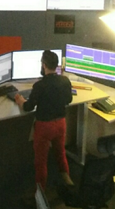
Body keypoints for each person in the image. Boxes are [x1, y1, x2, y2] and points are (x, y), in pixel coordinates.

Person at [14, 50, 74, 191]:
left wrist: (20, 100)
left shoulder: (39, 86)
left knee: (41, 161)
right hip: (61, 124)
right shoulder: (65, 81)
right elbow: (69, 99)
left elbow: (28, 107)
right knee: (60, 152)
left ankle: (41, 192)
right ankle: (68, 181)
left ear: (44, 65)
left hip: (44, 127)